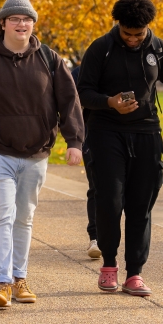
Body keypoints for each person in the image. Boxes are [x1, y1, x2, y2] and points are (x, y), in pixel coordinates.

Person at [0, 0, 84, 308]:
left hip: (36, 154)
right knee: (1, 213)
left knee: (24, 217)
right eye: (15, 19)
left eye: (27, 19)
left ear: (33, 24)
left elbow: (69, 101)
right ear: (3, 24)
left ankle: (18, 278)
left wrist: (75, 141)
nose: (21, 24)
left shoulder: (50, 60)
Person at [77, 0, 163, 297]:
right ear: (118, 26)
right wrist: (110, 103)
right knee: (110, 200)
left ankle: (135, 274)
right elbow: (82, 91)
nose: (133, 39)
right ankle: (109, 268)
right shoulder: (101, 49)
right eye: (127, 33)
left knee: (141, 206)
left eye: (138, 34)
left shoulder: (160, 50)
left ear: (147, 28)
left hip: (146, 134)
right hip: (106, 132)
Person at [70, 65, 102, 260]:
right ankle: (96, 238)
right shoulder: (84, 70)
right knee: (97, 187)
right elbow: (69, 98)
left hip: (128, 135)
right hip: (94, 136)